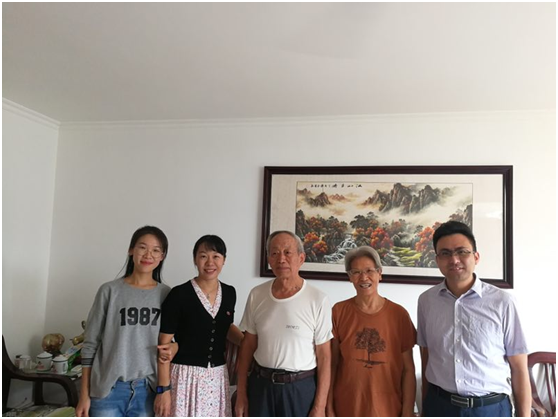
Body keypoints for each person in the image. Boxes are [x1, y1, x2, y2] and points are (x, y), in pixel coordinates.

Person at [417, 221, 531, 417]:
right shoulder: (426, 301)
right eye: (445, 253)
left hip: (490, 409)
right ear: (437, 260)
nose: (454, 260)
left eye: (462, 252)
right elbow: (426, 356)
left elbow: (519, 367)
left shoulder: (503, 302)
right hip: (439, 406)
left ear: (476, 257)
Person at [76, 226, 172, 417]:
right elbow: (90, 345)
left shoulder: (166, 294)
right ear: (131, 250)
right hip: (108, 391)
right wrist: (84, 395)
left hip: (148, 391)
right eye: (142, 247)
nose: (148, 255)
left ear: (162, 256)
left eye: (155, 250)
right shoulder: (109, 291)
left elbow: (171, 343)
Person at [235, 230, 333, 417]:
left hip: (300, 389)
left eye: (288, 252)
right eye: (274, 253)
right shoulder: (257, 294)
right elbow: (247, 346)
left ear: (301, 258)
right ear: (269, 260)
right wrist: (241, 393)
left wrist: (320, 406)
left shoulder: (318, 299)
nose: (281, 259)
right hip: (261, 386)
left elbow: (325, 357)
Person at [155, 235, 243, 417]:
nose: (210, 262)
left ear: (224, 260)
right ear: (195, 259)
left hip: (217, 377)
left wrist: (246, 343)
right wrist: (163, 389)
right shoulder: (179, 294)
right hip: (184, 377)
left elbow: (225, 327)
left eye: (216, 256)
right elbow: (164, 344)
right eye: (203, 256)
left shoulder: (229, 292)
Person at [327, 246, 416, 417]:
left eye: (369, 271)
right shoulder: (338, 312)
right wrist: (328, 408)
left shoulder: (399, 315)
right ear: (349, 277)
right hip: (346, 408)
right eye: (356, 272)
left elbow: (408, 370)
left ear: (379, 273)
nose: (363, 277)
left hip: (388, 409)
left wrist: (408, 411)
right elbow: (332, 365)